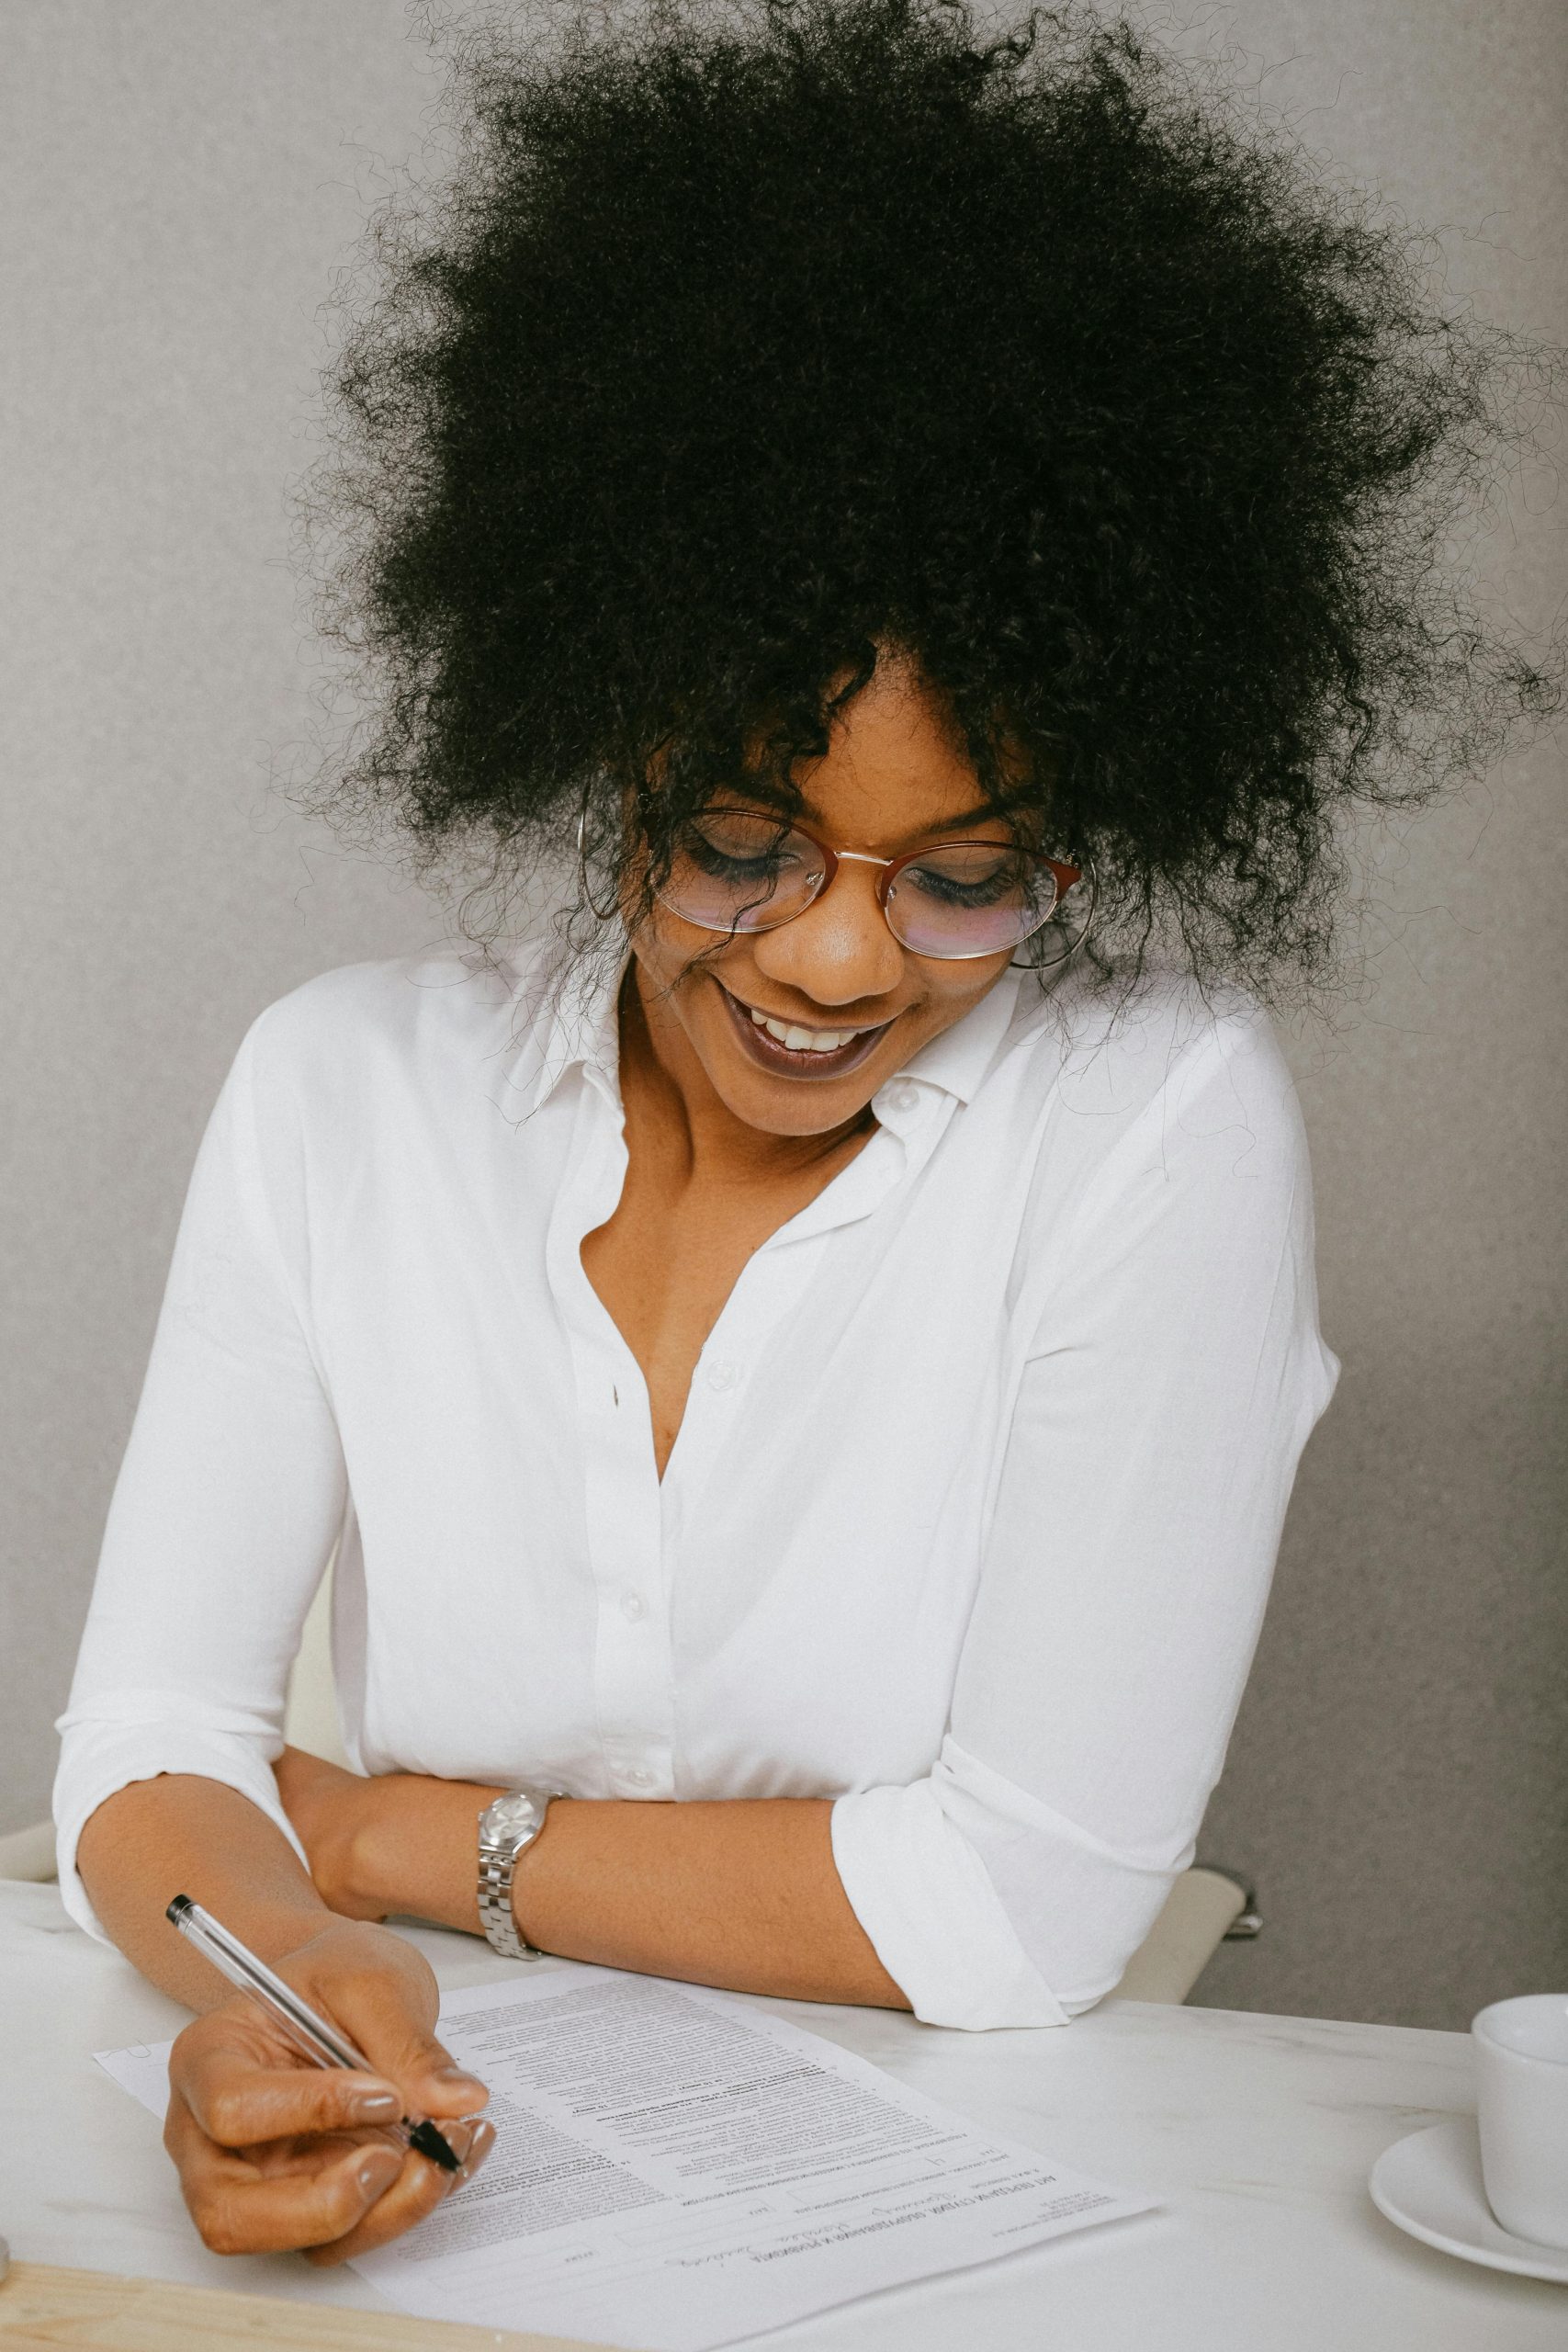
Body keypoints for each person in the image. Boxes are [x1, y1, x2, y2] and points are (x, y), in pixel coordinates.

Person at [52, 0, 1546, 2270]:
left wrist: (376, 1837)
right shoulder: (341, 1087)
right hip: (440, 2183)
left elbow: (1018, 1900)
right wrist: (292, 1958)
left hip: (950, 2251)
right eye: (744, 837)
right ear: (604, 731)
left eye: (970, 869)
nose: (842, 959)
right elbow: (147, 1737)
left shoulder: (1148, 1123)